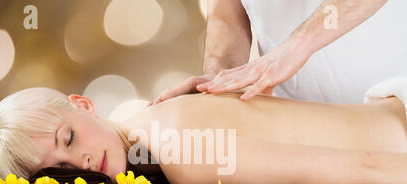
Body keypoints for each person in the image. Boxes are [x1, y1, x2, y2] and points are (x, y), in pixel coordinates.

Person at [0, 81, 407, 184]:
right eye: (58, 169)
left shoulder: (183, 160)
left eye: (69, 137)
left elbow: (363, 164)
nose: (81, 164)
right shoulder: (137, 115)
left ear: (84, 104)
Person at [150, 0, 407, 105]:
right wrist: (219, 77)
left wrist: (299, 43)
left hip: (395, 102)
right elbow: (227, 15)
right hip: (299, 120)